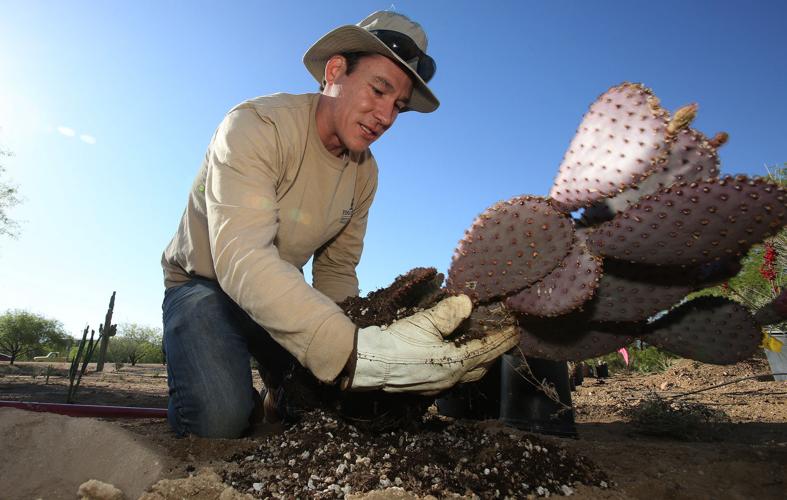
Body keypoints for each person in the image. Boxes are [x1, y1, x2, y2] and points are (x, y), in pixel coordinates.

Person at [160, 10, 519, 438]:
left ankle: (282, 397)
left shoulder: (365, 173)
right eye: (379, 89)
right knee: (220, 421)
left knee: (333, 412)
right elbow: (241, 256)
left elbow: (335, 270)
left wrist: (361, 341)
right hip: (205, 286)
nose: (385, 117)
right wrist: (351, 354)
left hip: (279, 290)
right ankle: (214, 390)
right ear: (335, 71)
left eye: (398, 106)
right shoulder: (256, 125)